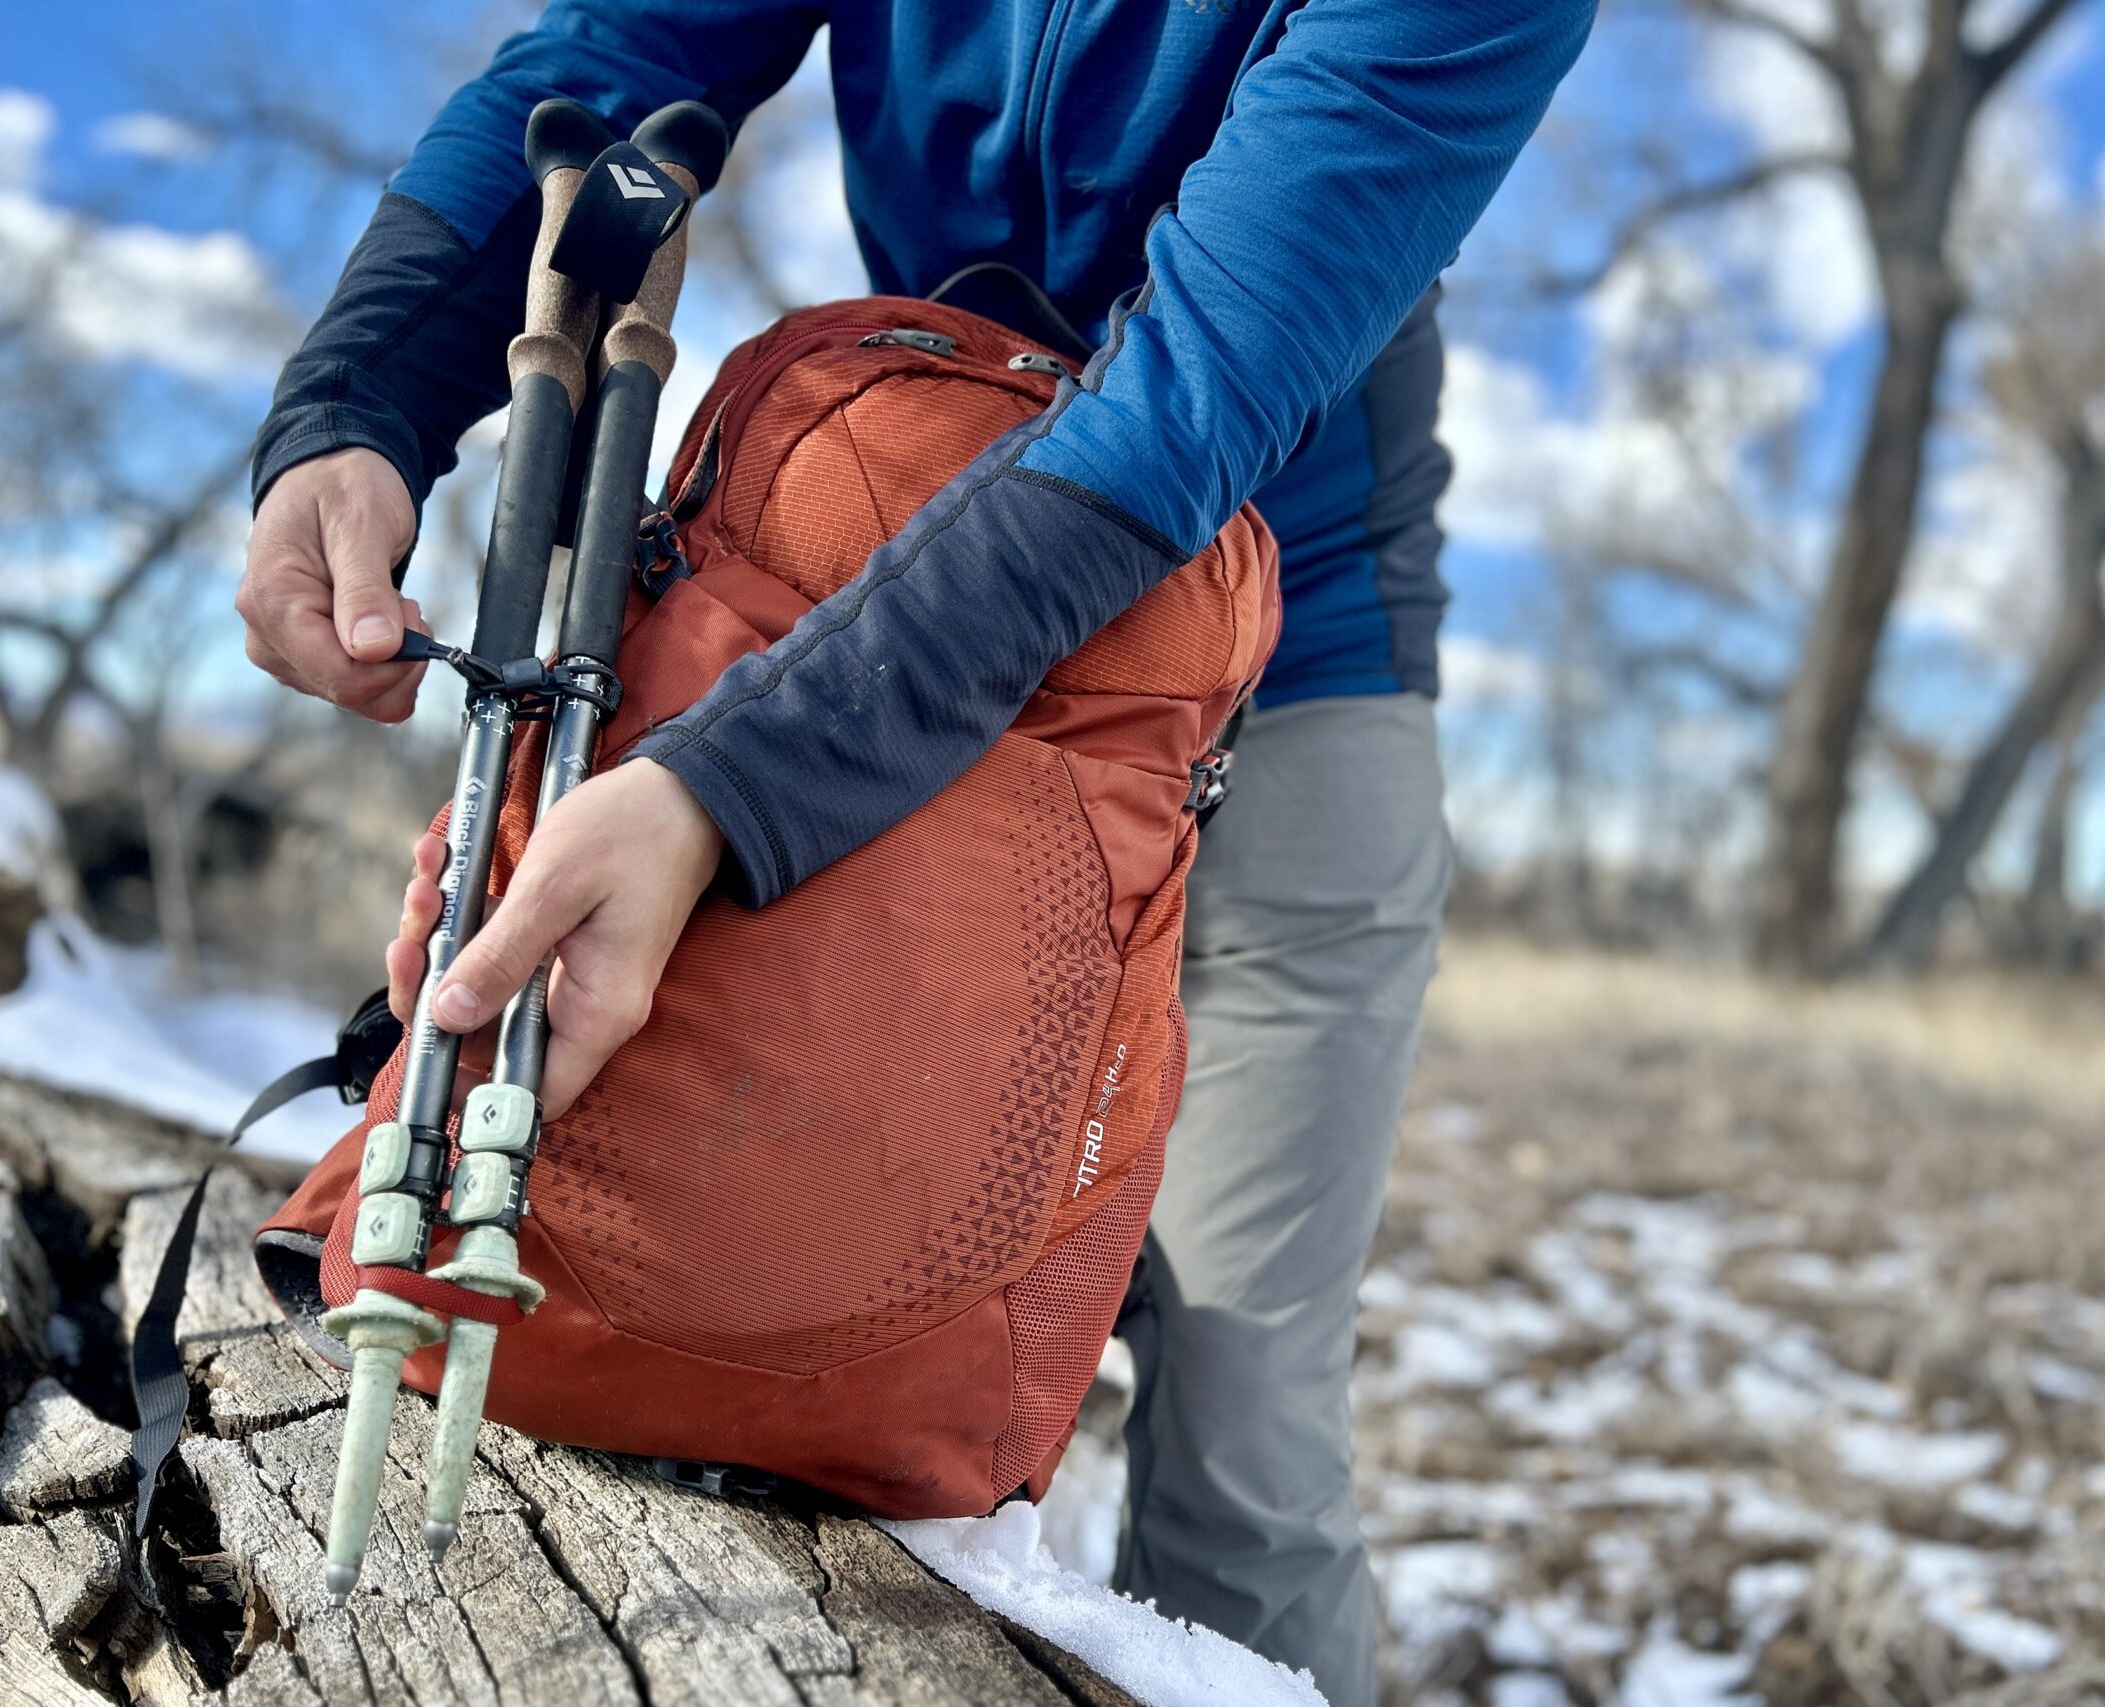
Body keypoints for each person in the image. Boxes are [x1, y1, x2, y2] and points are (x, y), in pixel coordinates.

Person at [237, 5, 1594, 1698]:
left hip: (1289, 684)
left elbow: (1178, 407)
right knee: (776, 1285)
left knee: (1246, 1422)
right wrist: (355, 403)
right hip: (904, 642)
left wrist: (730, 790)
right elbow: (606, 62)